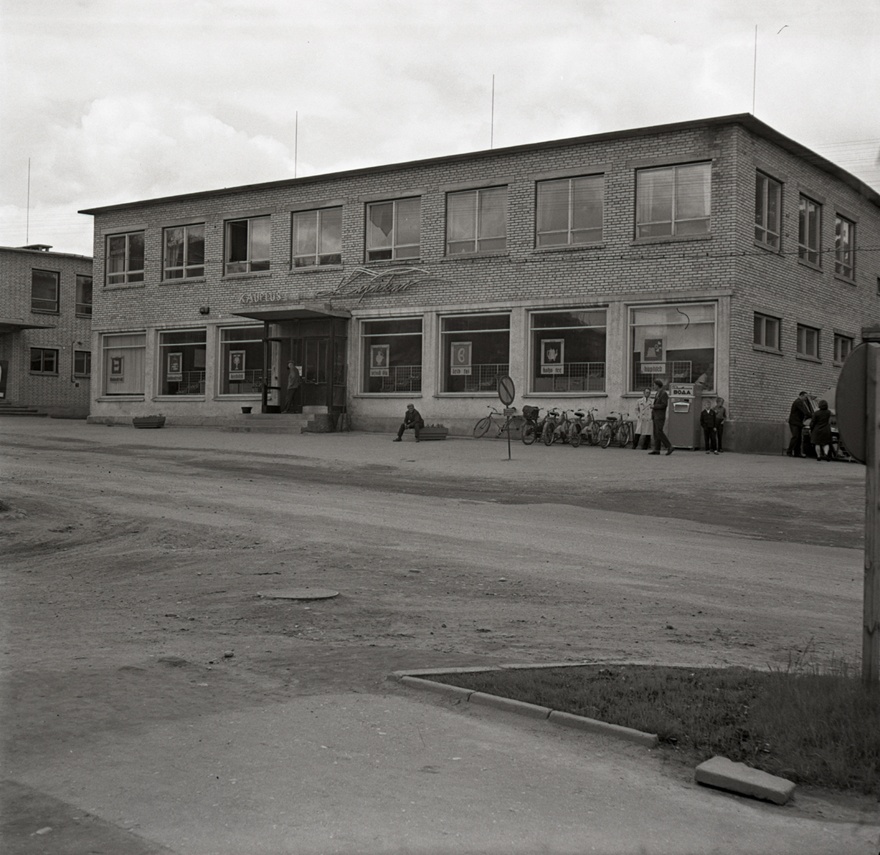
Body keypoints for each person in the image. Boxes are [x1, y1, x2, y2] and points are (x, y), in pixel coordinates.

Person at [648, 378, 673, 455]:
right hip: (655, 416)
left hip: (660, 416)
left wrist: (654, 406)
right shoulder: (657, 393)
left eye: (654, 385)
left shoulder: (663, 393)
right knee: (656, 432)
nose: (653, 387)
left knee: (659, 432)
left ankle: (669, 446)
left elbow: (664, 405)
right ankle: (657, 449)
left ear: (658, 385)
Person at [786, 391, 811, 457]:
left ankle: (797, 453)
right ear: (801, 396)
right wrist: (812, 415)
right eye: (805, 397)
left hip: (798, 422)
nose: (806, 399)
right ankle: (789, 451)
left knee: (799, 438)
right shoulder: (798, 402)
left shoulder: (801, 402)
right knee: (795, 436)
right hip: (794, 422)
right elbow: (804, 411)